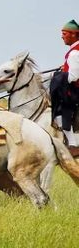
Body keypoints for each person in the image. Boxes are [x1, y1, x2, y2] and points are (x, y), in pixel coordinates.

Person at [50, 19, 79, 156]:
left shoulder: (74, 53)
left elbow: (73, 76)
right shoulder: (74, 51)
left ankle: (72, 144)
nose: (62, 36)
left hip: (76, 90)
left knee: (60, 110)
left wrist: (59, 77)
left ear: (73, 35)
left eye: (64, 33)